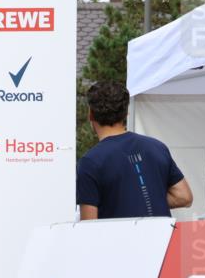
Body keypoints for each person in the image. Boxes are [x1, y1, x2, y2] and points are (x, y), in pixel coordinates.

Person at [77, 81, 193, 220]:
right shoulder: (157, 147)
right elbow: (184, 197)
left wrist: (126, 202)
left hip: (121, 241)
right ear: (126, 113)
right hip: (162, 239)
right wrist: (146, 199)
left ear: (91, 114)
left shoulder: (90, 162)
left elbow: (89, 227)